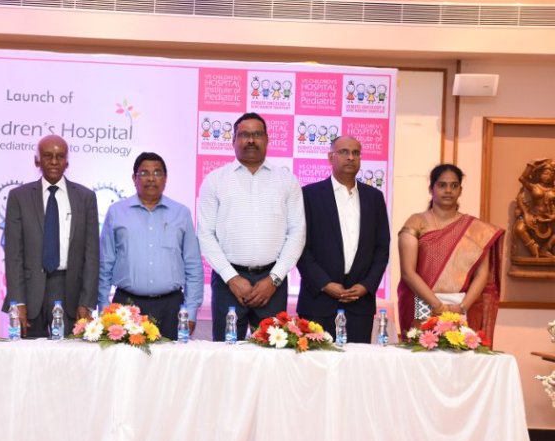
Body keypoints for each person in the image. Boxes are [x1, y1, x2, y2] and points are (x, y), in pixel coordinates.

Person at [197, 112, 306, 341]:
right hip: (228, 282)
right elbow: (205, 234)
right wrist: (231, 278)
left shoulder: (286, 180)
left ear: (267, 140)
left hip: (272, 282)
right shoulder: (215, 180)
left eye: (257, 134)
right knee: (225, 353)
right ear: (233, 140)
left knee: (272, 354)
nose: (251, 140)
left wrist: (274, 279)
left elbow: (297, 232)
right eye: (244, 135)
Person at [98, 152, 203, 339]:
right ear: (134, 178)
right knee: (125, 358)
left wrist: (191, 310)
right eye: (144, 173)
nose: (151, 179)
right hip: (126, 306)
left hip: (171, 307)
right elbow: (105, 263)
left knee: (172, 358)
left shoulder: (181, 213)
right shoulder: (116, 212)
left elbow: (193, 265)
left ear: (165, 178)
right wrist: (104, 308)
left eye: (157, 173)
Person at [397, 163, 505, 346]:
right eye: (442, 185)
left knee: (460, 355)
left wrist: (461, 308)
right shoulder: (416, 222)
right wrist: (438, 306)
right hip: (421, 303)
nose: (448, 190)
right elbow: (408, 272)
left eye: (454, 186)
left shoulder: (477, 230)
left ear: (460, 190)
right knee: (421, 352)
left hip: (461, 306)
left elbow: (482, 275)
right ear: (431, 189)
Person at [296, 136, 390, 343]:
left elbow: (382, 248)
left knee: (357, 361)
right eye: (344, 152)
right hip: (318, 302)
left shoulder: (374, 197)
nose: (351, 157)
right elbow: (300, 247)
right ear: (331, 157)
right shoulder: (309, 195)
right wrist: (325, 284)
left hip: (360, 303)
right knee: (316, 361)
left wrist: (366, 285)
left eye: (356, 153)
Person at [3, 135, 99, 337]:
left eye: (60, 156)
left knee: (71, 355)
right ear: (37, 160)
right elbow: (13, 254)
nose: (54, 161)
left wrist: (87, 302)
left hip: (70, 291)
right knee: (28, 355)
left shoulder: (86, 198)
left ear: (67, 161)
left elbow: (92, 255)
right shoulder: (19, 197)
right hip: (29, 292)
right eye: (47, 156)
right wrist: (17, 302)